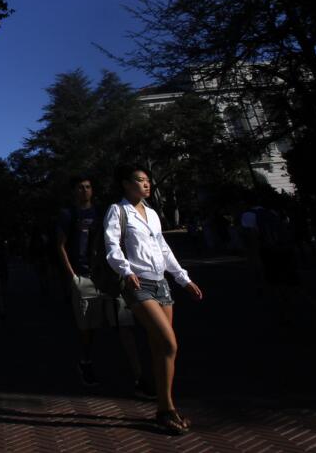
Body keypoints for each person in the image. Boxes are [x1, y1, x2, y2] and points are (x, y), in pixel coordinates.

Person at [104, 165, 204, 435]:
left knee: (160, 348)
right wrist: (126, 271)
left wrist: (183, 279)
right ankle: (166, 407)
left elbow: (163, 248)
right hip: (138, 283)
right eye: (140, 180)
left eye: (148, 181)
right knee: (169, 342)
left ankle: (165, 408)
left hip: (162, 284)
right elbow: (111, 247)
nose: (146, 185)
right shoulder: (118, 211)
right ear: (126, 184)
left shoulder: (151, 213)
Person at [55, 177, 144, 393]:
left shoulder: (104, 212)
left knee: (125, 324)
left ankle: (139, 377)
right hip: (84, 276)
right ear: (73, 191)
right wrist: (73, 276)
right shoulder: (68, 215)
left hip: (110, 276)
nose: (84, 190)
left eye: (87, 186)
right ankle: (85, 362)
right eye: (80, 187)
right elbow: (60, 245)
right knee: (88, 327)